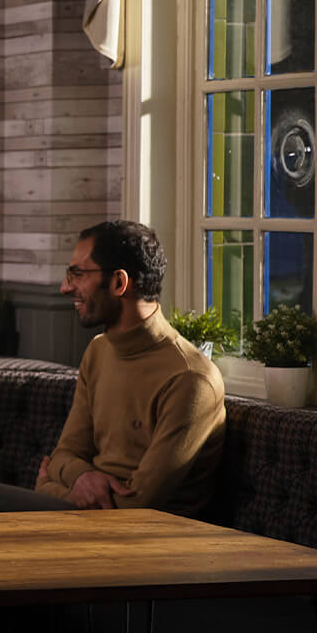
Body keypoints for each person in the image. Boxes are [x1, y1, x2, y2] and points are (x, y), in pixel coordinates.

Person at [29, 220, 226, 516]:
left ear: (119, 283)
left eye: (78, 274)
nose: (65, 287)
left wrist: (49, 488)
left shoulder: (190, 379)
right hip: (84, 523)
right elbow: (63, 455)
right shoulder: (98, 351)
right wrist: (82, 478)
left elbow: (136, 505)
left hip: (147, 537)